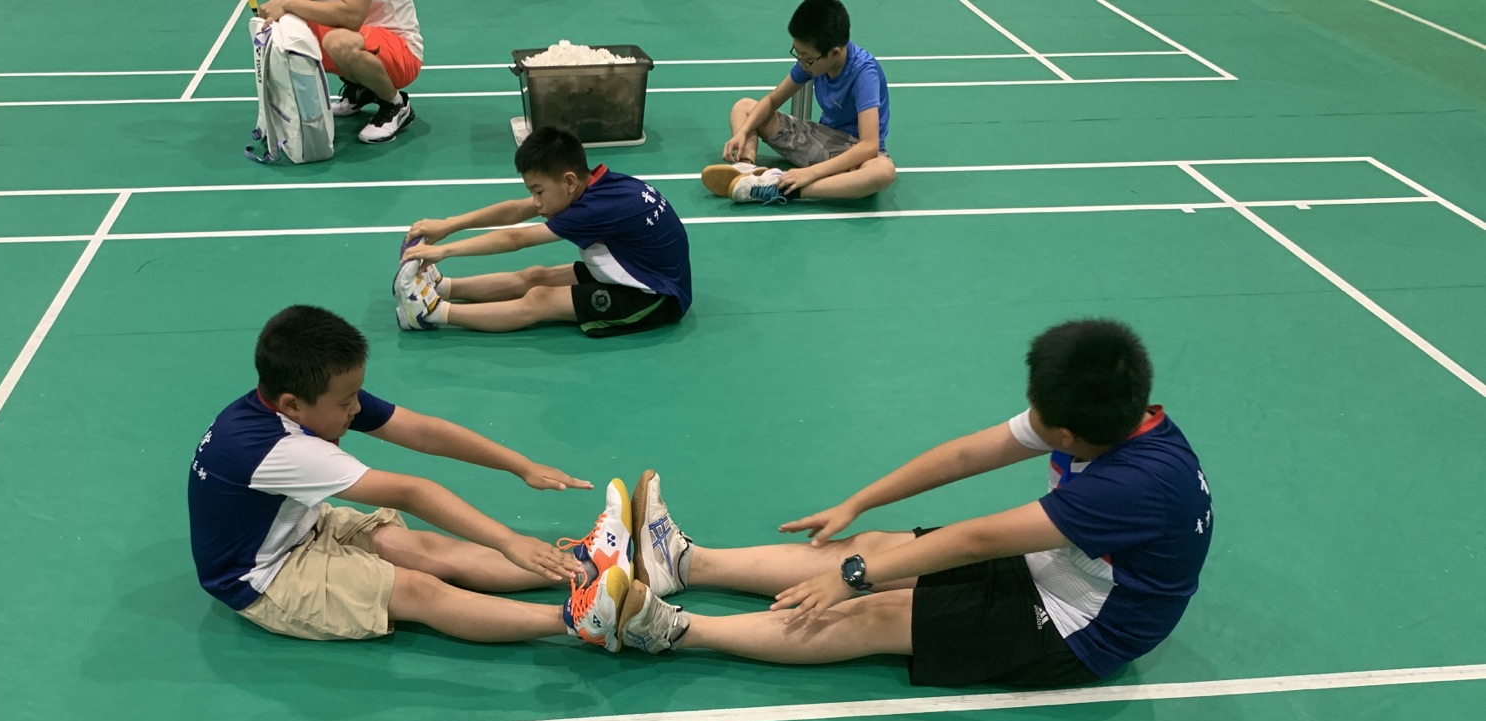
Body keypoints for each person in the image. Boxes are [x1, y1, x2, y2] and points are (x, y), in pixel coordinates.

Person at [613, 319, 1213, 687]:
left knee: (874, 612)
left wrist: (854, 578)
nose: (1027, 416)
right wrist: (859, 504)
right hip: (1055, 565)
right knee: (870, 547)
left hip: (1083, 627)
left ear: (1067, 435)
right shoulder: (1108, 416)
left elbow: (978, 539)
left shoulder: (1131, 487)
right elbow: (966, 456)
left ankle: (671, 631)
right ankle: (682, 563)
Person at [188, 304, 639, 651]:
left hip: (303, 526)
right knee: (417, 590)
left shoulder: (306, 400)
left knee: (425, 549)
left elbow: (423, 431)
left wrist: (520, 465)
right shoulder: (279, 450)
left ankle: (586, 564)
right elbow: (410, 491)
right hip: (265, 578)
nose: (357, 408)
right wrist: (508, 540)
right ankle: (582, 621)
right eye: (346, 402)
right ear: (291, 404)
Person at [394, 127, 691, 339]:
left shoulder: (592, 210)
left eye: (539, 191)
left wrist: (443, 251)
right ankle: (442, 288)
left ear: (569, 181)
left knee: (541, 299)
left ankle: (429, 314)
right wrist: (448, 224)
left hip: (656, 297)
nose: (535, 202)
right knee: (534, 276)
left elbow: (516, 239)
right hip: (633, 266)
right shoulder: (595, 184)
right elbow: (515, 210)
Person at [702, 0, 895, 205]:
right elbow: (771, 100)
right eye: (797, 53)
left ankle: (785, 190)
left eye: (807, 58)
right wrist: (743, 132)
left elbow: (869, 146)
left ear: (834, 53)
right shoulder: (813, 62)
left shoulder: (864, 73)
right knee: (744, 107)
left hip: (853, 156)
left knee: (883, 171)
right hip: (821, 140)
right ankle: (747, 170)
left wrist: (809, 173)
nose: (801, 63)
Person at [254, 0, 423, 143]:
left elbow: (352, 17)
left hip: (403, 53)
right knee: (296, 28)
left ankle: (395, 104)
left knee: (338, 42)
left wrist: (287, 4)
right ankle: (361, 89)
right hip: (363, 37)